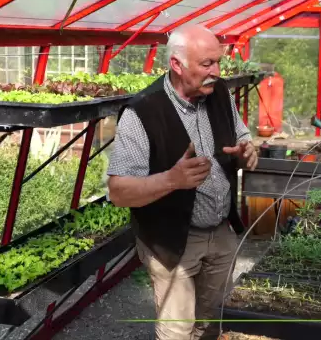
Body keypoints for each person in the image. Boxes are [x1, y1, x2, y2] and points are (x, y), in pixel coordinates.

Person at [106, 24, 258, 340]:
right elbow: (119, 191)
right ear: (177, 64)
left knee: (211, 322)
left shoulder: (219, 93)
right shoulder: (142, 112)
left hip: (220, 232)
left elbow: (241, 133)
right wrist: (171, 180)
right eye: (207, 64)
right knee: (177, 331)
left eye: (218, 62)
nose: (217, 72)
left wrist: (247, 149)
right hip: (172, 241)